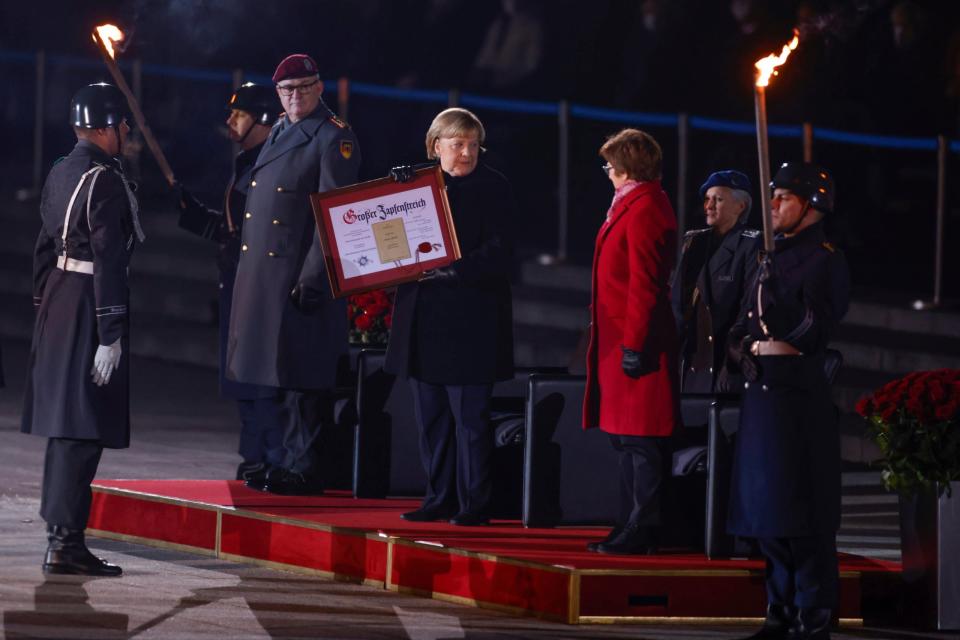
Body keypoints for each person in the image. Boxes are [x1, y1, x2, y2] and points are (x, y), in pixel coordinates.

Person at [21, 83, 144, 576]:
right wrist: (110, 331)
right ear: (107, 128)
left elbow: (42, 245)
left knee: (65, 429)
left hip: (58, 300)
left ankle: (61, 538)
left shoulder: (59, 171)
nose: (127, 137)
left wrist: (44, 302)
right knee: (82, 429)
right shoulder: (104, 180)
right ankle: (66, 544)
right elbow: (110, 258)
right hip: (90, 306)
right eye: (123, 128)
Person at [225, 54, 361, 495]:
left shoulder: (332, 137)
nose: (295, 96)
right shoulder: (281, 131)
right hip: (267, 274)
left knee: (302, 377)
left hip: (299, 275)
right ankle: (282, 459)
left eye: (303, 88)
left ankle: (303, 466)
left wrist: (314, 279)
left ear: (319, 88)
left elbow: (332, 216)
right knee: (278, 375)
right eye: (287, 90)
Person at [725, 162, 850, 640]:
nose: (772, 205)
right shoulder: (768, 254)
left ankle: (812, 613)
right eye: (772, 196)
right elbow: (744, 318)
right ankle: (777, 610)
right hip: (761, 389)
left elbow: (815, 330)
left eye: (783, 198)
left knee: (801, 513)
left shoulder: (824, 258)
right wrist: (739, 349)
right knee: (766, 512)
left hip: (797, 392)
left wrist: (783, 303)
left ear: (811, 205)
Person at [384, 107, 515, 526]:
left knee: (471, 423)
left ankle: (475, 504)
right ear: (434, 146)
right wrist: (393, 191)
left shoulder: (495, 188)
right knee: (433, 422)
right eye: (457, 144)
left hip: (471, 324)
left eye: (473, 144)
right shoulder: (418, 186)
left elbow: (502, 250)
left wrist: (455, 270)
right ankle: (438, 497)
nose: (466, 152)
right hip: (426, 323)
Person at [174, 82, 284, 485]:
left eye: (239, 114)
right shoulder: (247, 161)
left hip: (261, 284)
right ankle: (254, 452)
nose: (230, 120)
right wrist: (197, 216)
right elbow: (236, 229)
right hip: (236, 278)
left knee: (260, 371)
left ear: (265, 119)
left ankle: (274, 454)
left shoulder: (276, 165)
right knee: (240, 370)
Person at [582, 128, 679, 554]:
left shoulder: (645, 208)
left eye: (610, 165)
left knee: (641, 441)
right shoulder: (630, 203)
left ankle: (644, 527)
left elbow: (645, 284)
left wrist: (635, 345)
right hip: (618, 340)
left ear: (626, 167)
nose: (607, 172)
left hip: (636, 343)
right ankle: (627, 523)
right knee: (624, 439)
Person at [672, 170, 761, 394]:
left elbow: (749, 304)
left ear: (740, 207)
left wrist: (733, 355)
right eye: (707, 199)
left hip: (724, 359)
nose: (709, 205)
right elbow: (677, 303)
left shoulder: (750, 244)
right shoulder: (694, 242)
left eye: (718, 199)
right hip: (691, 359)